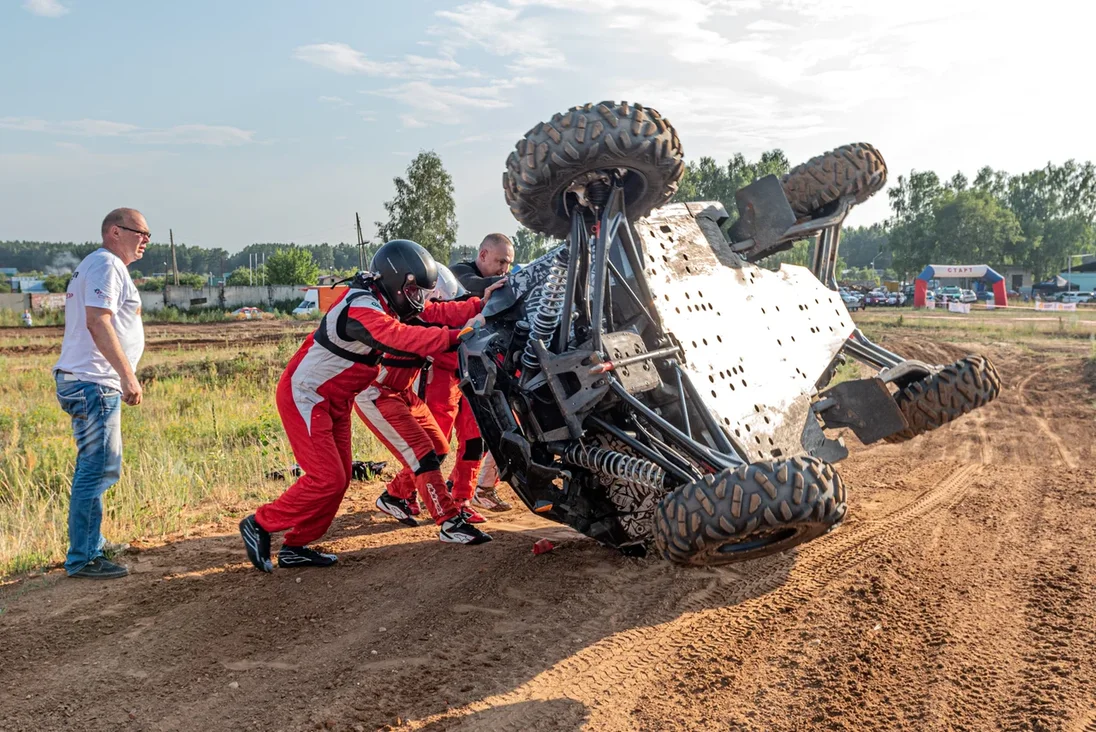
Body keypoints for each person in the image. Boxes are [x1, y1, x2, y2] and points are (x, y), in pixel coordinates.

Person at [239, 240, 493, 574]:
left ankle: (296, 546)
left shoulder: (384, 300)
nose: (419, 299)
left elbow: (433, 313)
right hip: (307, 395)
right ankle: (259, 523)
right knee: (327, 478)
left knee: (339, 479)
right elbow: (400, 337)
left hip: (338, 398)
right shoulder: (362, 307)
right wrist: (456, 335)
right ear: (395, 280)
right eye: (413, 290)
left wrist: (480, 305)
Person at [53, 208, 148, 580]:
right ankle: (83, 557)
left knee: (99, 467)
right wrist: (127, 376)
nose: (145, 241)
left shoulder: (101, 264)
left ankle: (92, 541)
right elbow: (98, 320)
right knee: (96, 469)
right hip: (94, 382)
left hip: (88, 380)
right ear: (114, 232)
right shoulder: (107, 265)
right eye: (140, 232)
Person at [369, 265, 491, 526]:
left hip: (470, 377)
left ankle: (461, 500)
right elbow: (434, 337)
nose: (433, 305)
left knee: (474, 440)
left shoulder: (445, 299)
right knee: (433, 447)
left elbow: (445, 312)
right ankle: (399, 492)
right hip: (439, 379)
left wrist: (480, 303)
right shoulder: (403, 314)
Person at [450, 233, 516, 512]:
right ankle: (400, 493)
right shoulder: (460, 273)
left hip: (478, 370)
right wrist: (509, 284)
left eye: (510, 264)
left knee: (478, 435)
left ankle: (466, 490)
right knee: (435, 442)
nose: (505, 269)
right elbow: (472, 284)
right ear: (483, 255)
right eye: (501, 261)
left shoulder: (497, 283)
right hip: (445, 371)